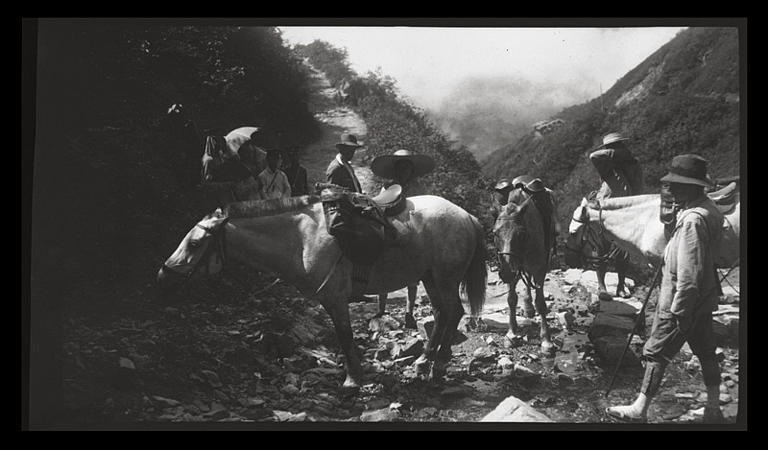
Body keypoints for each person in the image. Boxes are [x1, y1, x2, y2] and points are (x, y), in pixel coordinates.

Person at [606, 154, 725, 424]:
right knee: (706, 351)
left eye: (677, 185)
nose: (671, 189)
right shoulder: (707, 209)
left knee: (656, 352)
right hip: (704, 298)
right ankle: (714, 409)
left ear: (691, 187)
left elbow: (689, 272)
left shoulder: (693, 221)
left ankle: (640, 409)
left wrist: (679, 311)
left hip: (682, 301)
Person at [369, 149, 436, 328]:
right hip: (392, 229)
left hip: (414, 232)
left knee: (413, 276)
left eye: (407, 168)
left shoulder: (418, 189)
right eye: (401, 167)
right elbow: (379, 207)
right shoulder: (388, 187)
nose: (404, 171)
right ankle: (381, 309)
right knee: (383, 265)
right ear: (396, 170)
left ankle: (409, 312)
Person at [589, 132, 643, 300]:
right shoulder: (606, 165)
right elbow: (594, 155)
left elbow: (639, 187)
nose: (614, 150)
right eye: (611, 148)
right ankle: (602, 287)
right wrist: (617, 154)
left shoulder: (633, 165)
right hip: (605, 209)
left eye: (617, 147)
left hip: (625, 211)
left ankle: (620, 285)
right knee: (601, 248)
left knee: (623, 251)